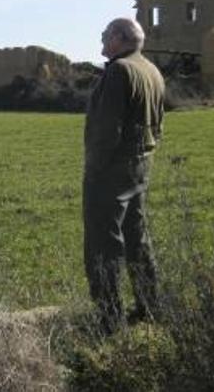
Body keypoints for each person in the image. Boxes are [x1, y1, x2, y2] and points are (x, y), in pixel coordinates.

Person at [83, 17, 165, 331]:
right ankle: (151, 307)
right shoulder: (151, 70)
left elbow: (107, 129)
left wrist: (94, 169)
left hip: (111, 171)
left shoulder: (119, 70)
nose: (102, 39)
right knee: (137, 240)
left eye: (105, 34)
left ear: (119, 37)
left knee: (103, 246)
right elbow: (158, 123)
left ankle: (109, 320)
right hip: (140, 166)